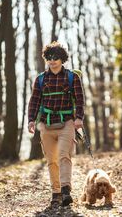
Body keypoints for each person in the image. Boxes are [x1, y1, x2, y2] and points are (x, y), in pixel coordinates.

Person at [27, 41, 85, 206]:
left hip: (67, 122)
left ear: (62, 59)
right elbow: (34, 101)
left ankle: (66, 190)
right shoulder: (40, 79)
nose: (52, 61)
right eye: (49, 57)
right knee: (51, 160)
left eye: (56, 57)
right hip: (46, 124)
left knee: (63, 156)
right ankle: (56, 192)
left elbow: (80, 100)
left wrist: (79, 118)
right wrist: (31, 120)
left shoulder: (72, 77)